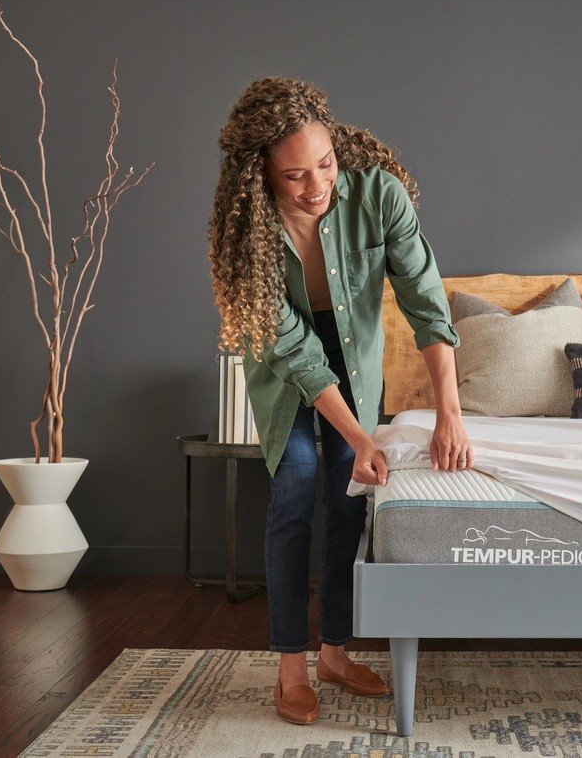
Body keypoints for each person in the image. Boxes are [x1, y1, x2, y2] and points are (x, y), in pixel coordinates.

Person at [208, 77, 473, 725]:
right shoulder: (250, 232)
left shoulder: (378, 195)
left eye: (324, 164)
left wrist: (451, 411)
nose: (316, 185)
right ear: (261, 175)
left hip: (355, 349)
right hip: (284, 361)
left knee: (348, 498)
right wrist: (361, 437)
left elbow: (425, 301)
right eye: (295, 175)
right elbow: (295, 352)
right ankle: (291, 665)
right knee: (298, 481)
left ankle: (335, 651)